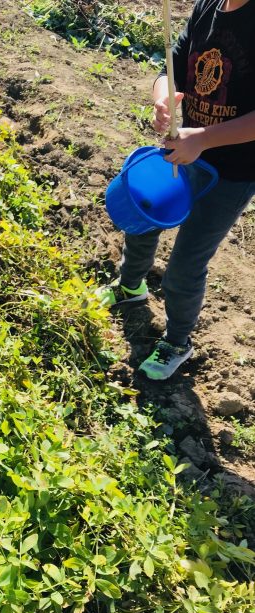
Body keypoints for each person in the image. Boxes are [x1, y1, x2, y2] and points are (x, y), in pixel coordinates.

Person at [98, 0, 255, 380]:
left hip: (232, 172)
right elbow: (172, 67)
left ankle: (178, 340)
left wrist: (203, 138)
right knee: (145, 216)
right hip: (183, 151)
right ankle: (131, 286)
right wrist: (163, 98)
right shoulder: (208, 6)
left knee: (186, 265)